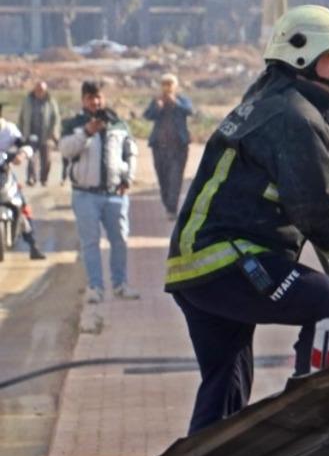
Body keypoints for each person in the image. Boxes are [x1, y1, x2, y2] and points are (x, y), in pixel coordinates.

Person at [166, 5, 329, 435]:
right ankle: (312, 420)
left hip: (197, 268)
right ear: (303, 55)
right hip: (227, 261)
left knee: (225, 386)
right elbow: (318, 206)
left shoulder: (268, 104)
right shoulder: (293, 117)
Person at [60, 80, 138, 302]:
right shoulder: (74, 124)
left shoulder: (118, 123)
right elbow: (65, 150)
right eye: (90, 98)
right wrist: (86, 132)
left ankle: (120, 285)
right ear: (83, 100)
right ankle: (95, 287)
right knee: (90, 243)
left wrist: (128, 178)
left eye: (98, 97)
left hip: (115, 194)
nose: (95, 101)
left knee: (120, 240)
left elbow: (130, 152)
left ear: (104, 98)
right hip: (85, 194)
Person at [143, 73, 194, 219]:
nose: (167, 87)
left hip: (178, 147)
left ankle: (172, 209)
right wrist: (158, 107)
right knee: (163, 179)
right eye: (164, 84)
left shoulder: (182, 100)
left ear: (175, 86)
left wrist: (175, 102)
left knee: (175, 178)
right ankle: (168, 204)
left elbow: (190, 111)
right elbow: (147, 115)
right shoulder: (157, 100)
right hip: (159, 147)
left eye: (170, 84)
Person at [0, 104, 46, 260]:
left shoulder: (8, 130)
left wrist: (22, 154)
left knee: (22, 204)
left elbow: (25, 143)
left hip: (4, 174)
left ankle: (33, 245)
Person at [17, 81, 59, 186]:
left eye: (42, 90)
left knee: (47, 160)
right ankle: (31, 178)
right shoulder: (28, 100)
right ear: (35, 90)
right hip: (31, 134)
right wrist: (21, 132)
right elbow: (21, 117)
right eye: (38, 90)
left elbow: (56, 117)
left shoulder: (50, 101)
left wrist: (54, 132)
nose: (40, 92)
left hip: (46, 135)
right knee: (31, 157)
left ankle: (44, 179)